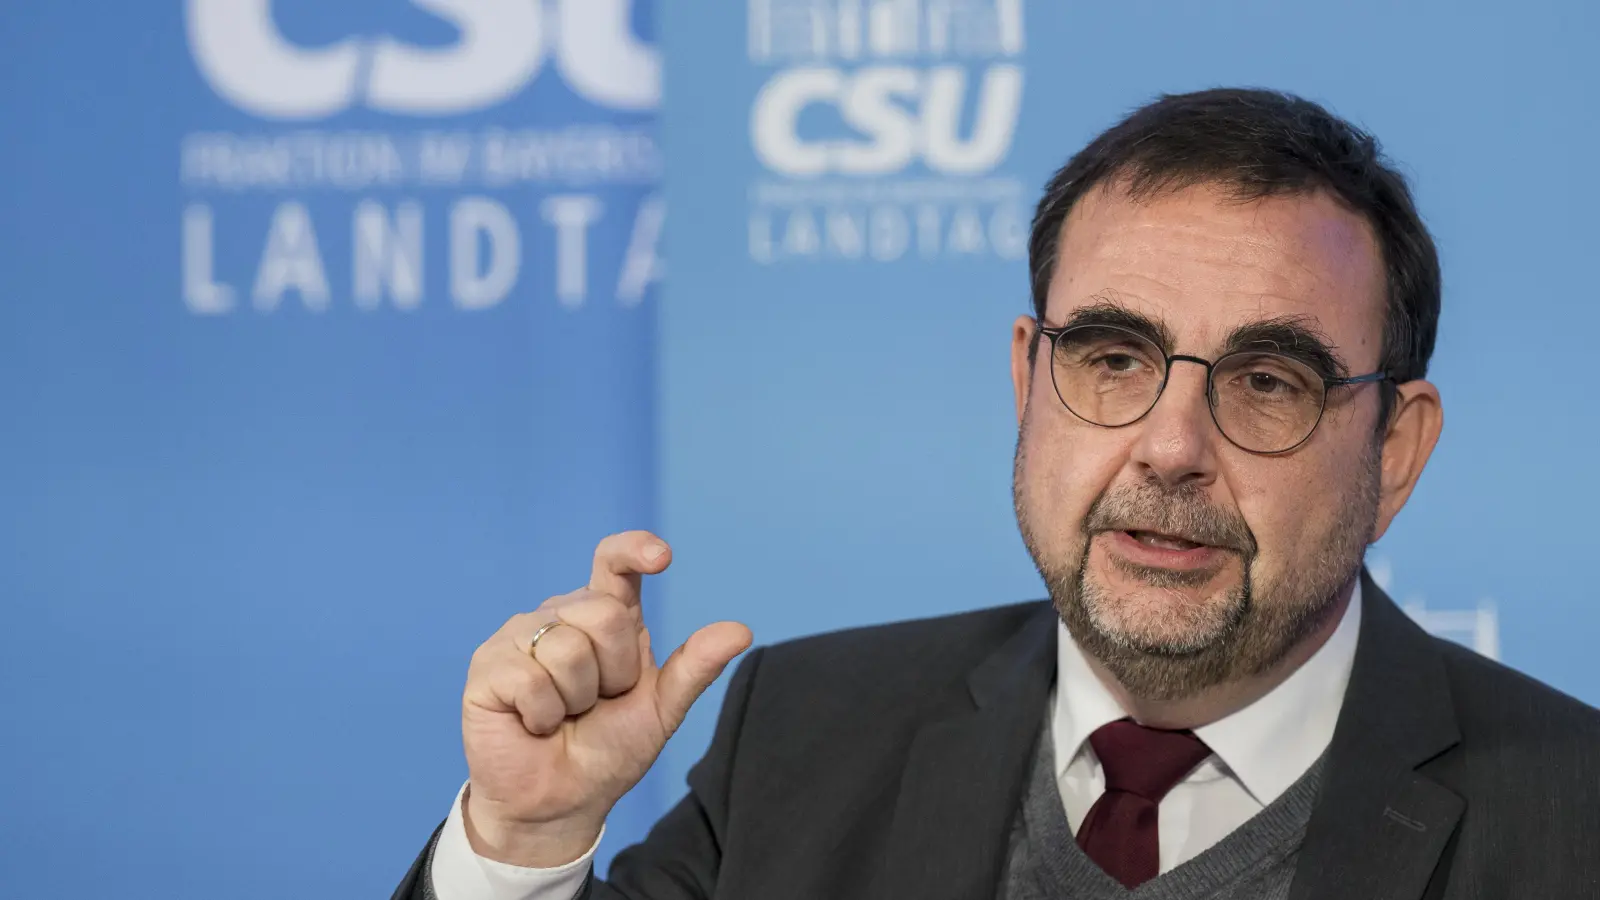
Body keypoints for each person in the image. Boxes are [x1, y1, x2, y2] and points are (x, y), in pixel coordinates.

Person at [394, 89, 1600, 900]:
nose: (1170, 447)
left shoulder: (1569, 819)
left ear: (1394, 449)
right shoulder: (803, 735)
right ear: (1029, 378)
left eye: (1267, 379)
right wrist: (527, 846)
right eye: (1114, 359)